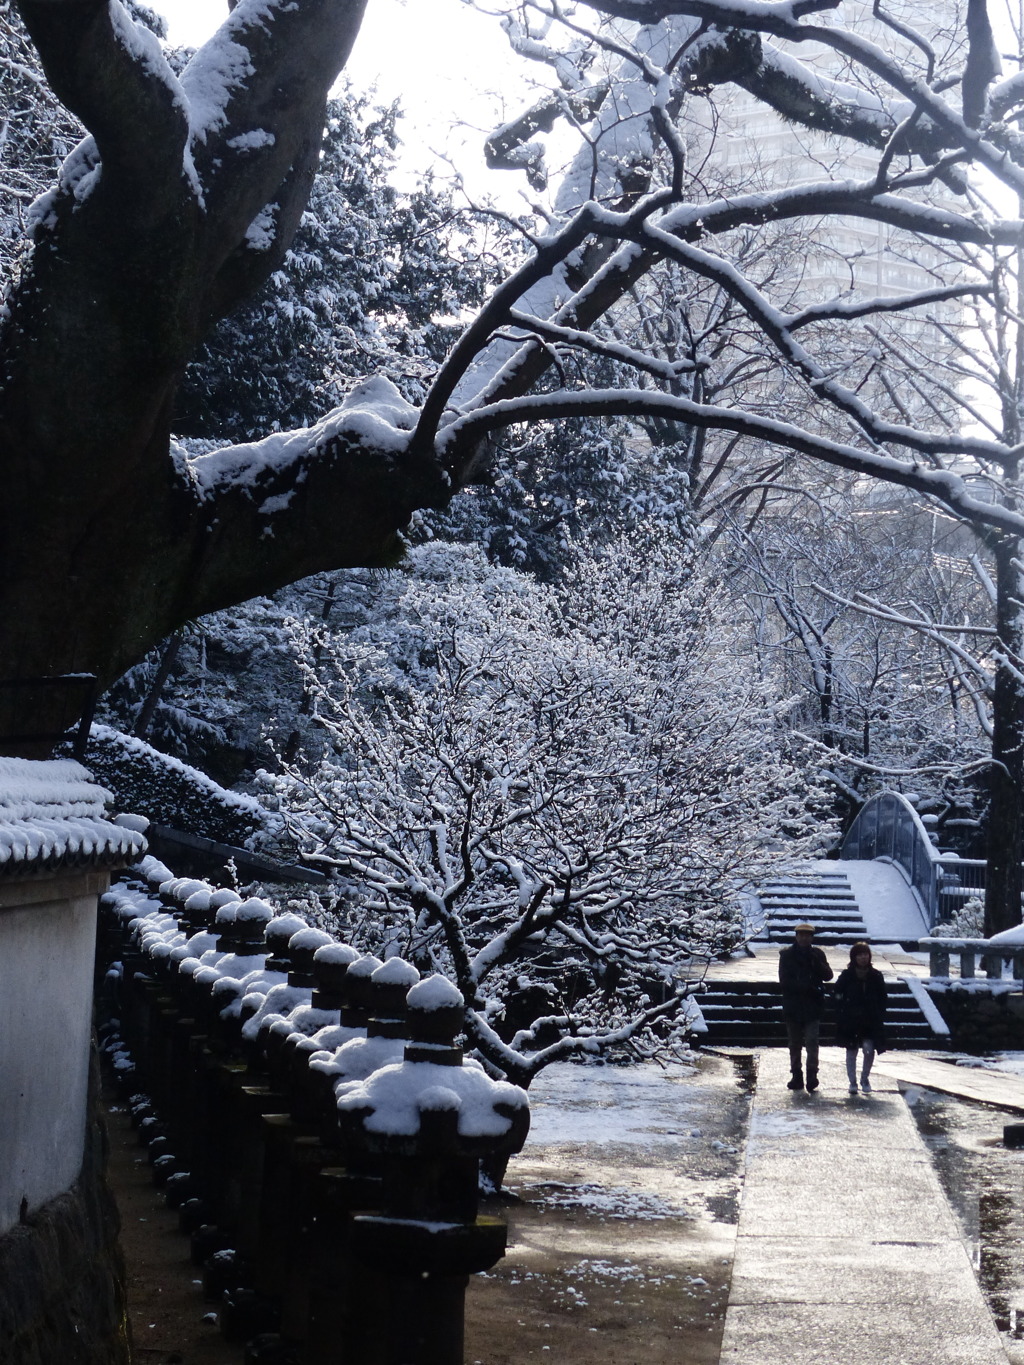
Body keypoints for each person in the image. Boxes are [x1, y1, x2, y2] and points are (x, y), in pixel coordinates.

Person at [778, 922, 834, 1091]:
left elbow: (828, 976)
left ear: (811, 937)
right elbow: (784, 980)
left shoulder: (817, 954)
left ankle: (812, 1074)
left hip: (812, 1005)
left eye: (807, 935)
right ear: (796, 936)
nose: (803, 938)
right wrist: (802, 987)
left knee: (812, 1041)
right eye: (800, 935)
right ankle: (796, 1074)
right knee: (794, 1043)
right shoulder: (787, 955)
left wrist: (817, 963)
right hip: (793, 1005)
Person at [833, 941, 887, 1094]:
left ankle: (865, 1078)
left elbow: (883, 996)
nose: (863, 958)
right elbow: (837, 993)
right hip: (851, 1020)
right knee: (851, 1051)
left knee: (869, 1050)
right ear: (854, 957)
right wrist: (842, 1011)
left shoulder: (876, 975)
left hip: (870, 1020)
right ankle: (852, 1082)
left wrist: (879, 1013)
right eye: (860, 955)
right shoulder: (847, 975)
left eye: (866, 954)